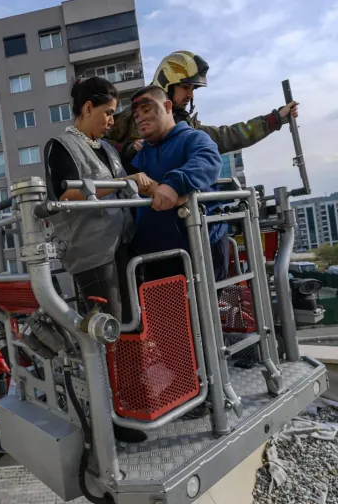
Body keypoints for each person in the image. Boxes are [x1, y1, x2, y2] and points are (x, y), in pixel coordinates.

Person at [43, 76, 154, 443]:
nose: (111, 120)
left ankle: (134, 404)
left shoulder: (106, 149)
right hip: (92, 257)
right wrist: (126, 184)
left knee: (131, 326)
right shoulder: (60, 146)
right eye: (106, 112)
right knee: (109, 333)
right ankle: (116, 418)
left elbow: (120, 180)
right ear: (87, 108)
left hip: (120, 245)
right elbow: (67, 190)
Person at [106, 50, 299, 170]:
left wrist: (275, 119)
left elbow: (228, 136)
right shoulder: (130, 119)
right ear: (167, 84)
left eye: (193, 89)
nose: (190, 95)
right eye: (186, 87)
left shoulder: (188, 128)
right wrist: (126, 150)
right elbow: (93, 143)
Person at [128, 84, 228, 282]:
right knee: (166, 313)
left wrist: (174, 184)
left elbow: (208, 160)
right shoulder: (141, 156)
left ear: (167, 106)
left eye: (146, 109)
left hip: (199, 251)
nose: (140, 117)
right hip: (155, 258)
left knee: (201, 311)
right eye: (136, 114)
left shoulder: (193, 138)